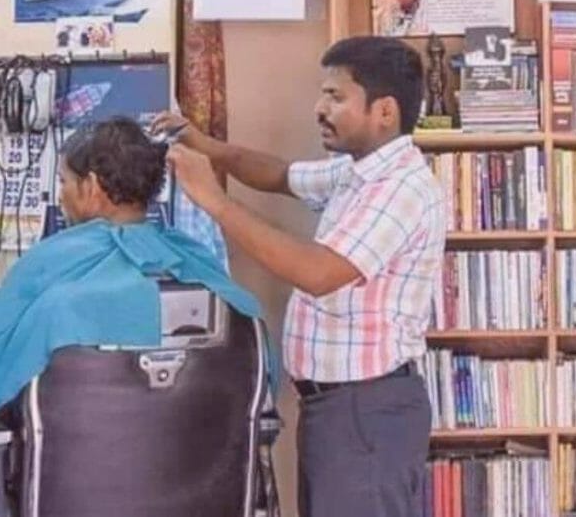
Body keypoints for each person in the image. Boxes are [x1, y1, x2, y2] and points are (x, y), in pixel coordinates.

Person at [153, 36, 445, 517]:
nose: (319, 108)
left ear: (385, 111)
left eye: (335, 97)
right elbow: (278, 174)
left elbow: (319, 272)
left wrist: (215, 201)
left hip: (366, 413)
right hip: (338, 411)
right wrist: (203, 145)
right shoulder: (356, 172)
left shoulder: (401, 189)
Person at [0, 117, 260, 409]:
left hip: (69, 447)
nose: (61, 195)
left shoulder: (48, 266)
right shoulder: (194, 261)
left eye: (64, 181)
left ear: (92, 186)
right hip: (189, 447)